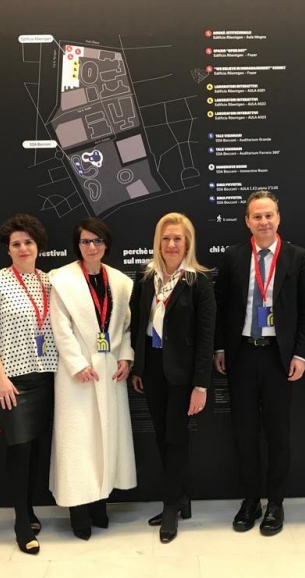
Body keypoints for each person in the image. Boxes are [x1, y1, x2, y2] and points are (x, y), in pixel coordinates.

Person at [214, 190, 305, 536]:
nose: (263, 222)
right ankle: (250, 500)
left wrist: (300, 353)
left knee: (278, 433)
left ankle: (275, 502)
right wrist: (219, 348)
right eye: (256, 216)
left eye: (268, 215)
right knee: (244, 433)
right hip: (242, 354)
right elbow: (222, 306)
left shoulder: (298, 257)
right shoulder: (233, 257)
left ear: (278, 218)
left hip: (278, 356)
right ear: (247, 221)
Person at [49, 217, 136, 540]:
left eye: (97, 241)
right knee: (78, 443)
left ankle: (101, 503)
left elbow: (125, 326)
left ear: (106, 244)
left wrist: (125, 356)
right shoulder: (62, 279)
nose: (91, 247)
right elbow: (60, 327)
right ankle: (79, 512)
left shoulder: (120, 282)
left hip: (109, 370)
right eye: (85, 241)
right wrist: (76, 364)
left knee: (105, 440)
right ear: (78, 245)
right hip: (77, 375)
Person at [130, 213, 215, 543]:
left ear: (187, 243)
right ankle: (180, 498)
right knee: (161, 436)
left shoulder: (198, 282)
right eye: (166, 238)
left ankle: (170, 507)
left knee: (175, 439)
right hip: (152, 369)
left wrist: (200, 385)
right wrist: (138, 368)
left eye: (178, 238)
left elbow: (206, 337)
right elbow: (138, 324)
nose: (171, 244)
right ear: (158, 242)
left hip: (182, 374)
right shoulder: (146, 277)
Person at [0, 214, 58, 555]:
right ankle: (21, 522)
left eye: (28, 242)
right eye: (16, 244)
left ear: (38, 246)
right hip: (9, 381)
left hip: (45, 377)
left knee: (35, 447)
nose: (23, 248)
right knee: (20, 447)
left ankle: (30, 509)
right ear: (8, 249)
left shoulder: (50, 282)